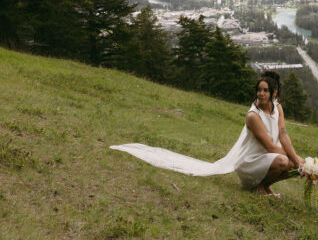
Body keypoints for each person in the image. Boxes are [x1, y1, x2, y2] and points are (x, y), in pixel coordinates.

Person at [111, 73, 303, 196]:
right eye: (259, 90)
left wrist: (301, 161)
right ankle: (256, 186)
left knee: (296, 166)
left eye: (265, 90)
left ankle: (265, 186)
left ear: (274, 92)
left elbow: (283, 135)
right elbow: (270, 146)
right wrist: (294, 159)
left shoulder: (278, 108)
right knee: (284, 162)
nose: (260, 94)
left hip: (268, 158)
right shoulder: (253, 116)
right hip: (250, 162)